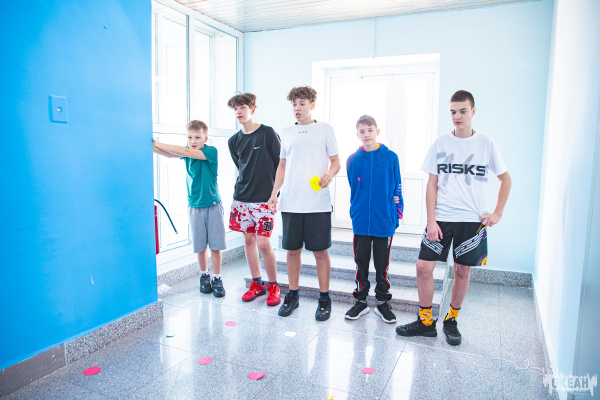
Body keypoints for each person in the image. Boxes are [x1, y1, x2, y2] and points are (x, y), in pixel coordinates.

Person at [396, 90, 512, 345]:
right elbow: (432, 184)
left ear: (473, 111)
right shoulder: (441, 143)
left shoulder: (486, 143)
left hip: (472, 220)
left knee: (462, 270)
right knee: (423, 267)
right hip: (442, 218)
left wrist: (497, 212)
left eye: (462, 111)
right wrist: (431, 220)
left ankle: (451, 320)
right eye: (453, 112)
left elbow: (505, 179)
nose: (457, 116)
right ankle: (426, 322)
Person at [268, 86, 340, 321]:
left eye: (301, 103)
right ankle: (293, 295)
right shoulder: (287, 132)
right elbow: (282, 165)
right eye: (294, 104)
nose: (297, 108)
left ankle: (324, 298)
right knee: (292, 251)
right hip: (291, 201)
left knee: (320, 251)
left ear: (312, 105)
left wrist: (330, 173)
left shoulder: (325, 130)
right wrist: (274, 193)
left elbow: (336, 161)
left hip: (317, 202)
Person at [152, 120, 227, 297]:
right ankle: (204, 276)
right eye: (189, 137)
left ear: (205, 139)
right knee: (200, 246)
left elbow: (185, 151)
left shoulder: (211, 151)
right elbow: (169, 154)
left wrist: (158, 143)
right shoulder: (188, 152)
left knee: (215, 246)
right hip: (194, 206)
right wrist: (152, 146)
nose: (193, 141)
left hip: (213, 206)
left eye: (197, 137)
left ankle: (217, 278)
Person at [344, 115, 404, 324]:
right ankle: (360, 301)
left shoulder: (391, 157)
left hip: (384, 220)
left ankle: (382, 302)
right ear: (357, 134)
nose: (366, 134)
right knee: (361, 264)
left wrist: (397, 213)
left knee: (381, 265)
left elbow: (397, 187)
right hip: (361, 221)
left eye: (370, 130)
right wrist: (356, 212)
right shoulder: (352, 159)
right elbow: (354, 188)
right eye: (362, 131)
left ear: (377, 131)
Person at [227, 92, 281, 306]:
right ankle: (256, 283)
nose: (238, 112)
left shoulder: (267, 133)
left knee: (263, 243)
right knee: (248, 240)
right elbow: (241, 167)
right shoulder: (233, 140)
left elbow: (281, 165)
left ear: (252, 109)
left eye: (242, 107)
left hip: (265, 200)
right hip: (241, 199)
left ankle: (274, 286)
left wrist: (275, 194)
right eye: (235, 109)